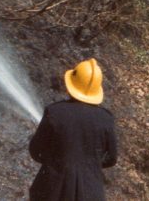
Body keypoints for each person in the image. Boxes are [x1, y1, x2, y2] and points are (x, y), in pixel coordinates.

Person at [29, 58, 118, 201]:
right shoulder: (106, 119)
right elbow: (112, 158)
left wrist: (55, 162)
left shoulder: (54, 112)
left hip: (51, 192)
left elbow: (35, 150)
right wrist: (90, 164)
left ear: (71, 85)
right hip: (91, 194)